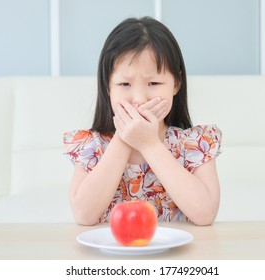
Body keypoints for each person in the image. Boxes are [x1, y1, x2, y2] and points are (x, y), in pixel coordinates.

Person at [63, 16, 222, 226]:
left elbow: (205, 214)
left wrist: (149, 144)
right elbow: (84, 215)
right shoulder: (92, 146)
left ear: (176, 84)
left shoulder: (195, 144)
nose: (139, 98)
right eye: (125, 84)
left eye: (154, 82)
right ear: (108, 87)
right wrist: (124, 137)